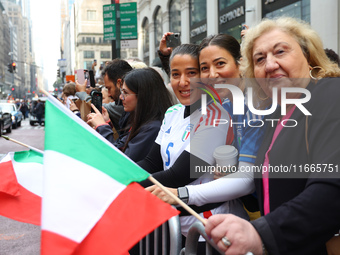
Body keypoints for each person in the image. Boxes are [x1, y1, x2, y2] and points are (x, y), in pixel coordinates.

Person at [205, 17, 340, 255]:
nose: (270, 65)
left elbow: (331, 186)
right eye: (259, 59)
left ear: (308, 56)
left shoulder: (330, 94)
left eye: (280, 51)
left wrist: (260, 234)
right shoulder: (276, 116)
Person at [135, 44, 243, 254]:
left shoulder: (216, 117)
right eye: (176, 74)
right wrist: (118, 172)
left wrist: (122, 185)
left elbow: (178, 175)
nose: (183, 82)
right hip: (176, 228)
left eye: (191, 73)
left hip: (210, 229)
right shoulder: (172, 113)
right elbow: (151, 162)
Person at [148, 34, 266, 221]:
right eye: (204, 68)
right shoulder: (225, 105)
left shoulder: (257, 106)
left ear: (240, 63)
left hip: (271, 212)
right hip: (246, 208)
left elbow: (246, 179)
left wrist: (180, 194)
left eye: (220, 64)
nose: (212, 74)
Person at [87, 67, 173, 162]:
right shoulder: (139, 120)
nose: (121, 97)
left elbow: (122, 160)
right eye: (121, 92)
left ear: (143, 95)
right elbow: (120, 145)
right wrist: (107, 123)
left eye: (125, 93)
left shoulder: (153, 128)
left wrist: (102, 127)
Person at [76, 59, 132, 135]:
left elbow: (118, 146)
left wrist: (103, 127)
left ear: (119, 83)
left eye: (109, 88)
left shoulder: (128, 107)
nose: (109, 94)